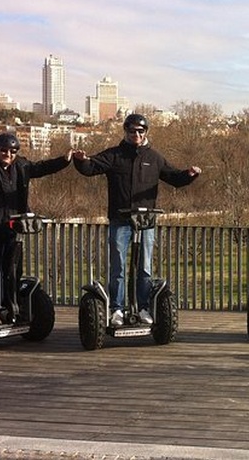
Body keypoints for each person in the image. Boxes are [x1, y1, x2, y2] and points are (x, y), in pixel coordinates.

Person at [73, 114, 201, 327]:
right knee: (119, 267)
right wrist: (80, 161)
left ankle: (142, 308)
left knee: (144, 267)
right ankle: (117, 309)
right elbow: (91, 167)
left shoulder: (155, 157)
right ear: (126, 131)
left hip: (145, 222)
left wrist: (189, 174)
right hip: (120, 219)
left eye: (141, 131)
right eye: (132, 131)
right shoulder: (114, 155)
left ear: (146, 133)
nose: (137, 135)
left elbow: (174, 177)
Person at [0, 132, 74, 326]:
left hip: (13, 226)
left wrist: (64, 160)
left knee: (12, 270)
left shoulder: (21, 166)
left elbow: (42, 168)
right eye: (4, 150)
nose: (8, 154)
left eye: (13, 151)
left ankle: (11, 307)